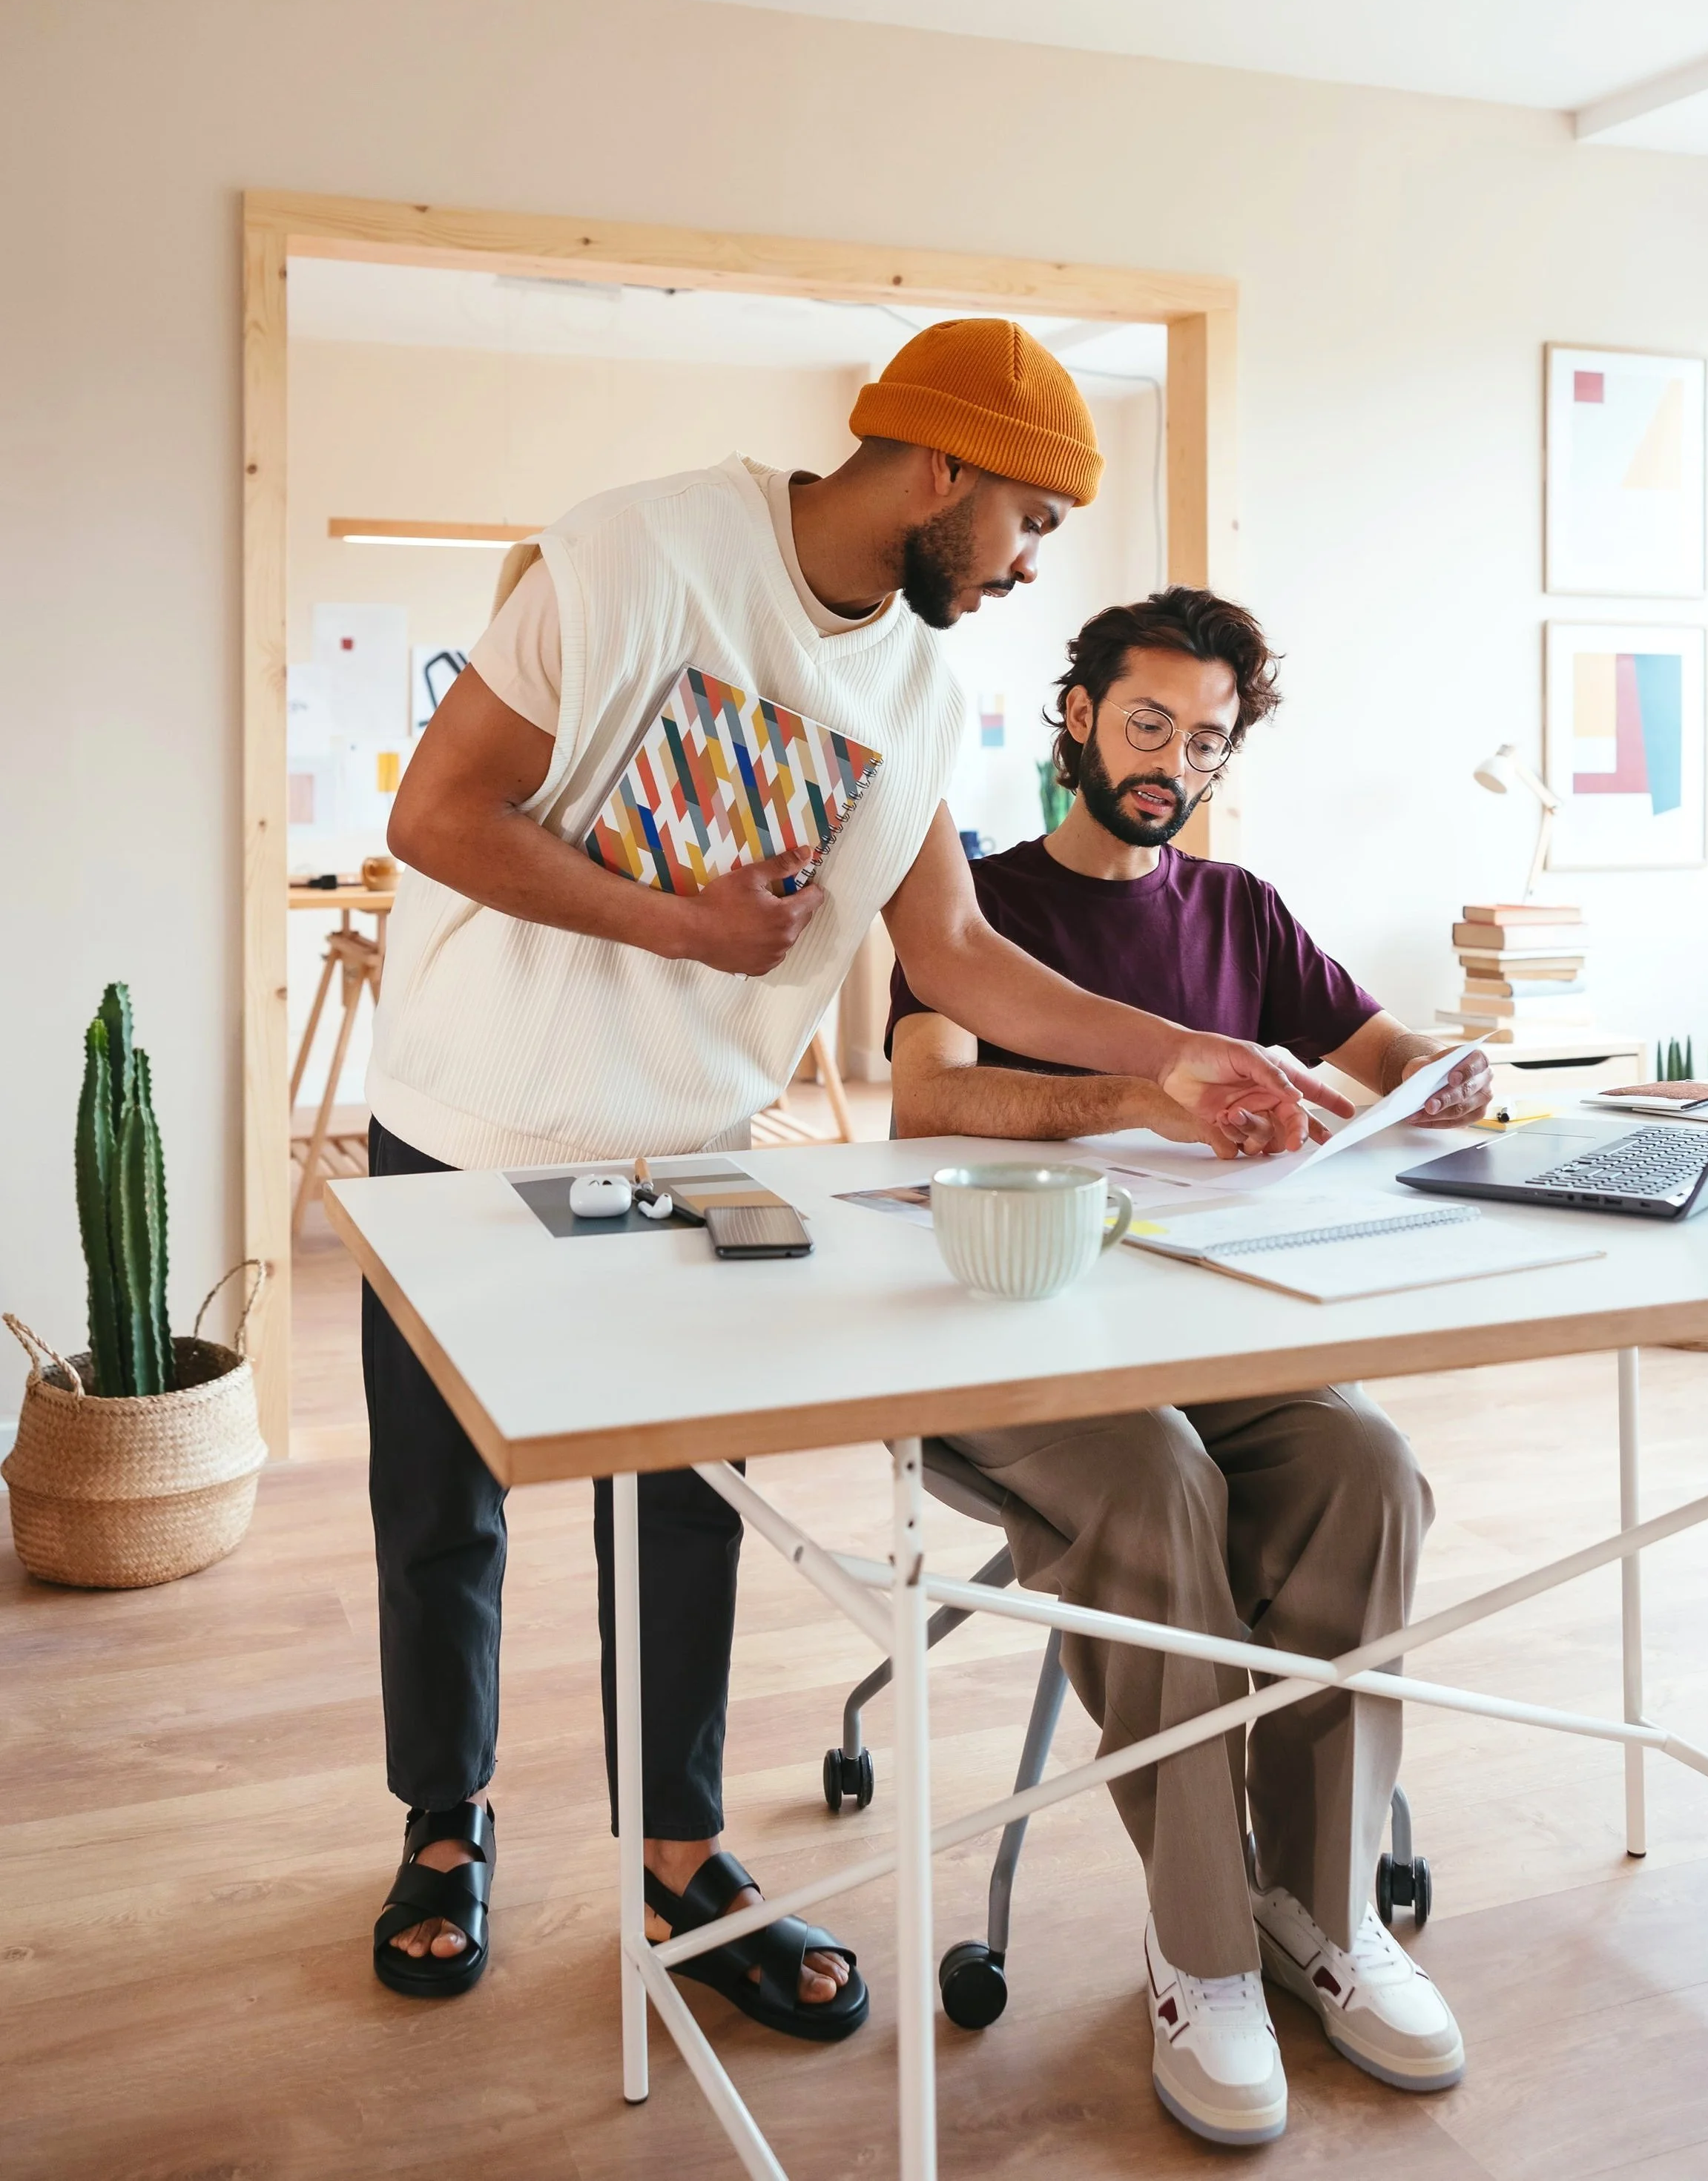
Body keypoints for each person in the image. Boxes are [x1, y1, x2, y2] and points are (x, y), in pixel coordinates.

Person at [359, 324, 1349, 2030]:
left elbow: (953, 951)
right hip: (464, 1126)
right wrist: (683, 922)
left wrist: (1162, 1053)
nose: (1034, 563)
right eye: (1030, 521)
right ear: (942, 469)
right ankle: (442, 1827)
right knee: (440, 1510)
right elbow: (437, 816)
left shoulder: (912, 689)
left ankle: (679, 1852)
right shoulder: (631, 551)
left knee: (685, 1512)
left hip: (697, 1153)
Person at [888, 585, 1490, 2146]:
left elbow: (1377, 1063)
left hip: (1218, 1328)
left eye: (1204, 740)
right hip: (1018, 1345)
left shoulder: (1240, 914)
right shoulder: (975, 909)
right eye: (1145, 723)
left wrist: (1448, 1075)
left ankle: (1322, 1910)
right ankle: (1202, 1957)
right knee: (1155, 1478)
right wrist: (1132, 1101)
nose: (1170, 761)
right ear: (1075, 715)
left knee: (1361, 1465)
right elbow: (924, 1106)